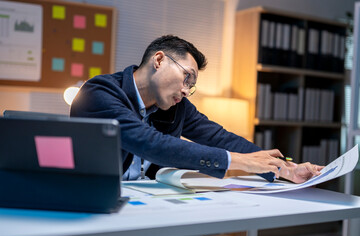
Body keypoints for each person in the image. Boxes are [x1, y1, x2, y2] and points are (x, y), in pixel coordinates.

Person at [70, 35, 323, 183]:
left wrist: (287, 169)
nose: (185, 90)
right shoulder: (99, 93)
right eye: (186, 78)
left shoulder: (174, 106)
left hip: (151, 209)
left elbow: (218, 137)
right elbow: (149, 143)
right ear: (159, 60)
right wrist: (237, 162)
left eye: (191, 86)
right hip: (96, 211)